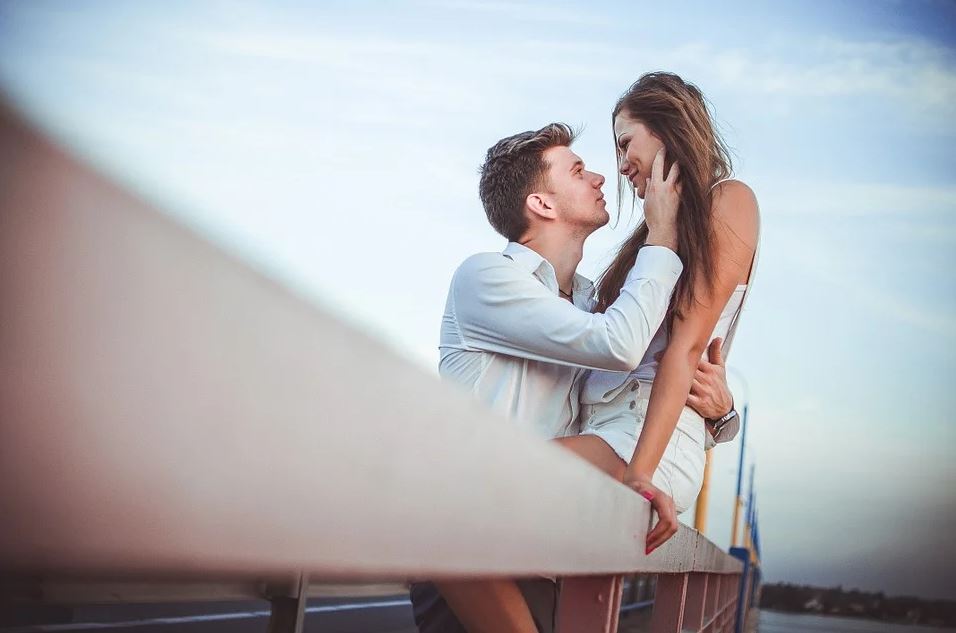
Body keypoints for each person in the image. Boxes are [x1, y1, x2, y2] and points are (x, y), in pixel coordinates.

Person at [411, 117, 738, 633]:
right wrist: (663, 234)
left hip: (546, 542)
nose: (601, 178)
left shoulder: (592, 303)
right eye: (579, 170)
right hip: (469, 548)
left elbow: (640, 393)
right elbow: (621, 345)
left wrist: (721, 417)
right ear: (541, 204)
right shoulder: (488, 277)